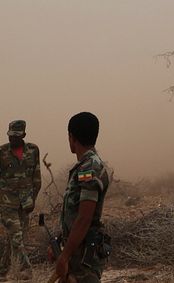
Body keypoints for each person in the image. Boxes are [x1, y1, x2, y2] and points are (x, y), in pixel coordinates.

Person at [51, 112, 111, 283]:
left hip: (84, 259)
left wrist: (64, 256)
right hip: (76, 254)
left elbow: (84, 217)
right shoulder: (85, 166)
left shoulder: (89, 168)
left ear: (72, 137)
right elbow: (74, 213)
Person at [0, 120, 42, 279]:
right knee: (16, 236)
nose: (12, 139)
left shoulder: (33, 150)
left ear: (24, 135)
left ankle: (2, 271)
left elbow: (36, 177)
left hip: (26, 203)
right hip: (6, 202)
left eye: (16, 136)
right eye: (10, 136)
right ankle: (27, 270)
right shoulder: (2, 152)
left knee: (16, 239)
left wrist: (33, 199)